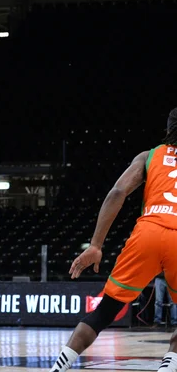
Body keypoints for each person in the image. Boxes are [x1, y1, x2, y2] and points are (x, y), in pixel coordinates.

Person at [48, 108, 177, 372]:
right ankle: (169, 367)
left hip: (149, 231)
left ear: (168, 128)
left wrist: (96, 245)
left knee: (105, 312)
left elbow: (117, 191)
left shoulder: (149, 156)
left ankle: (58, 368)